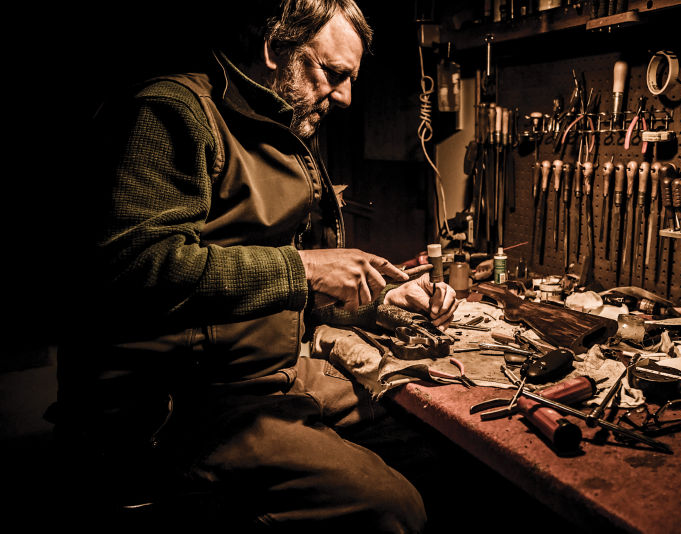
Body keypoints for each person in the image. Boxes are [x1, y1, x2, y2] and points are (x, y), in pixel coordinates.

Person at [52, 1, 457, 531]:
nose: (346, 96)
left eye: (350, 78)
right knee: (391, 507)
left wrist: (376, 301)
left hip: (267, 370)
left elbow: (264, 286)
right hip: (178, 400)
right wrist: (305, 270)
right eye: (333, 74)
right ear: (275, 50)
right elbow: (132, 267)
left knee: (430, 433)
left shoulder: (272, 127)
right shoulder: (170, 113)